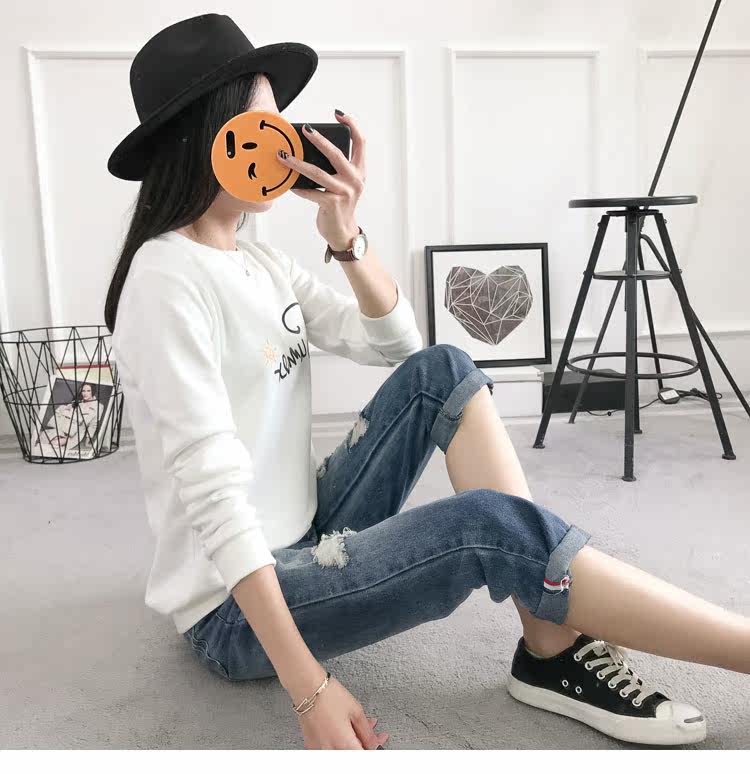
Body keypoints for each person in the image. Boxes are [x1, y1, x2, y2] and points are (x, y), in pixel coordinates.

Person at [105, 14, 749, 750]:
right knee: (487, 525)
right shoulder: (166, 281)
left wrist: (347, 238)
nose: (286, 144)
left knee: (444, 370)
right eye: (265, 125)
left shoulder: (254, 259)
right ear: (208, 138)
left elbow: (401, 348)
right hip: (236, 611)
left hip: (307, 524)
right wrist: (309, 688)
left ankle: (549, 645)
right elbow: (213, 494)